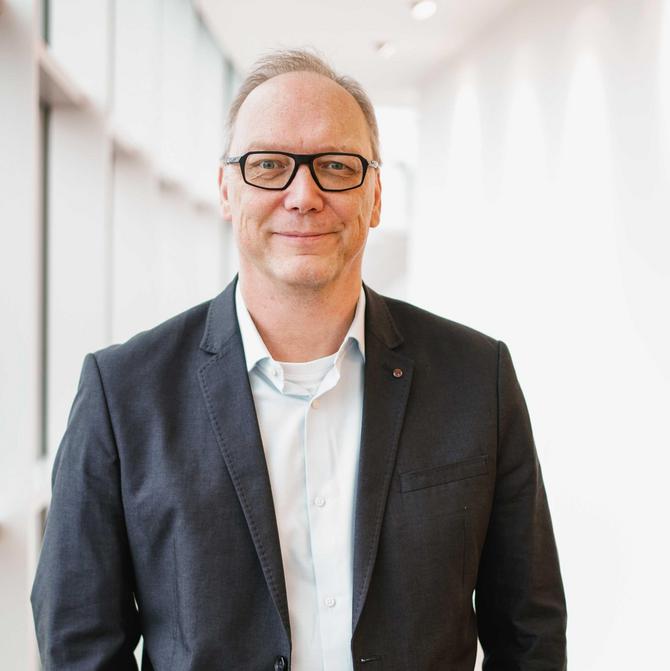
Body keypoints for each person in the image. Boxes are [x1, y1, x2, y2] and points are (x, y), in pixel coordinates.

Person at [31, 49, 567, 670]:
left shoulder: (478, 379)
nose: (303, 194)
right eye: (268, 165)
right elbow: (78, 643)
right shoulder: (123, 393)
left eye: (337, 166)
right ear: (227, 189)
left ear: (375, 198)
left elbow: (529, 633)